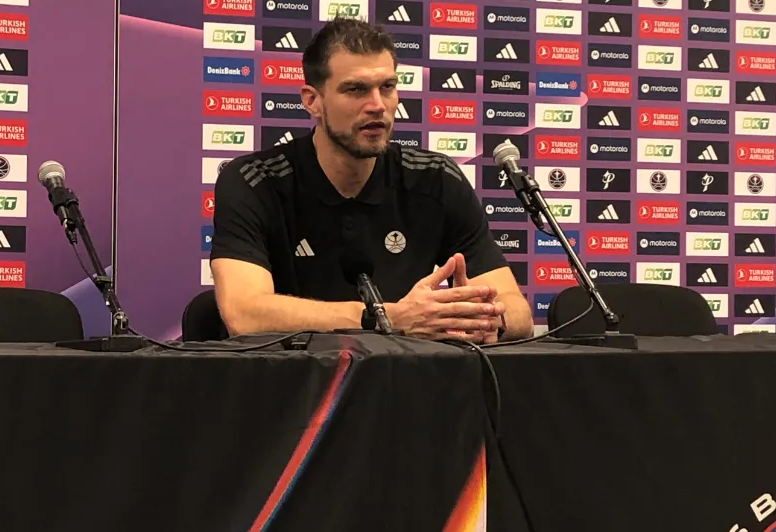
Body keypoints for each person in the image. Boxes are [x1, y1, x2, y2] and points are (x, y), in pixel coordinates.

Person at [209, 18, 533, 342]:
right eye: (356, 89)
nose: (377, 106)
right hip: (293, 372)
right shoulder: (254, 181)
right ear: (312, 101)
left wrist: (484, 320)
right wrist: (389, 318)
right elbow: (244, 313)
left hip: (408, 372)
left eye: (387, 87)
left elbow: (518, 313)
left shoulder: (435, 177)